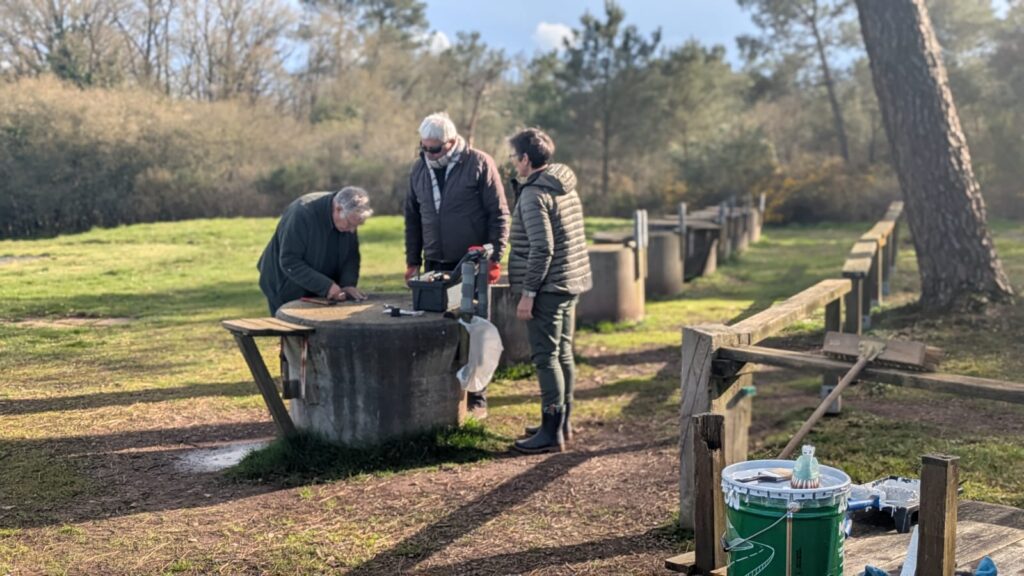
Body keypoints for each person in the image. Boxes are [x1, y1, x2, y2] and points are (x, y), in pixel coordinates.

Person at [404, 112, 510, 419]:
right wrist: (412, 260)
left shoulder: (479, 163)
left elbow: (499, 214)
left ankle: (478, 396)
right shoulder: (419, 169)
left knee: (475, 327)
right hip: (434, 261)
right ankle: (439, 391)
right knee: (437, 325)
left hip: (472, 263)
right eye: (423, 147)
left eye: (434, 148)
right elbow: (412, 217)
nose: (428, 153)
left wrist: (495, 256)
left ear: (451, 143)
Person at [507, 128, 592, 454]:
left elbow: (542, 248)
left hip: (548, 288)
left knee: (546, 358)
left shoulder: (534, 194)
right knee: (563, 353)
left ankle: (550, 431)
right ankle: (562, 424)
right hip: (570, 282)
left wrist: (528, 293)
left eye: (514, 158)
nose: (513, 164)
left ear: (526, 159)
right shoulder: (563, 185)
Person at [258, 187, 373, 316]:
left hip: (320, 285)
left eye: (356, 226)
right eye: (350, 224)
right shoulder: (302, 213)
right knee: (292, 326)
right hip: (284, 284)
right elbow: (290, 261)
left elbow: (351, 256)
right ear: (338, 209)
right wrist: (326, 286)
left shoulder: (348, 216)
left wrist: (347, 284)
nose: (352, 230)